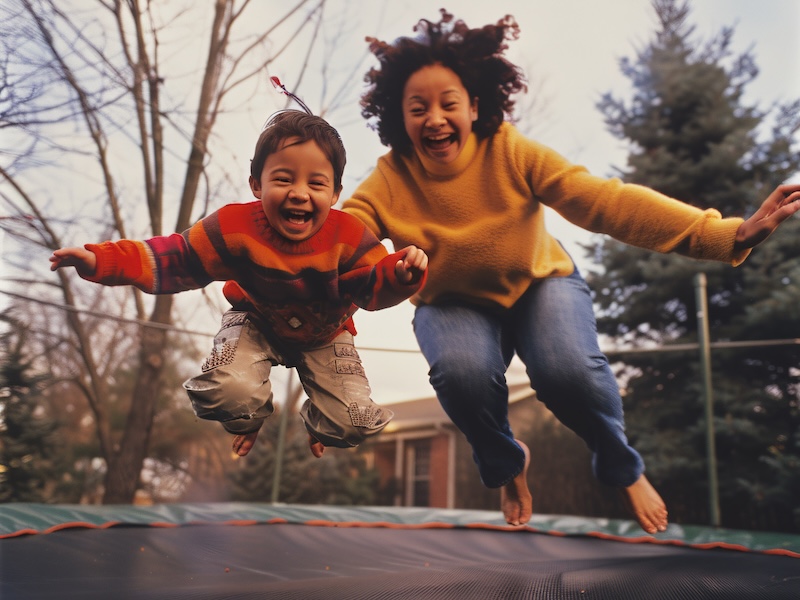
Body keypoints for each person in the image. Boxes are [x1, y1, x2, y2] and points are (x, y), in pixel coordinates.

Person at [341, 10, 800, 533]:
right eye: (418, 108)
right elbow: (341, 240)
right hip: (452, 303)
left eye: (449, 104)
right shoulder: (389, 179)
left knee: (568, 372)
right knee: (461, 375)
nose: (434, 119)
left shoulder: (509, 150)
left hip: (540, 282)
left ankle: (622, 466)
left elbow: (606, 201)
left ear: (474, 106)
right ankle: (508, 463)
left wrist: (726, 235)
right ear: (399, 118)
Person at [50, 110, 428, 460]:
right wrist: (104, 260)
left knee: (351, 423)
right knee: (226, 394)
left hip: (325, 334)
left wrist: (400, 276)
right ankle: (248, 418)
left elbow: (372, 285)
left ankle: (325, 421)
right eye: (283, 179)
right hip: (256, 323)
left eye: (316, 183)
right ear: (256, 184)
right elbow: (178, 257)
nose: (299, 193)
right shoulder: (234, 228)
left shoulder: (349, 235)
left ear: (334, 194)